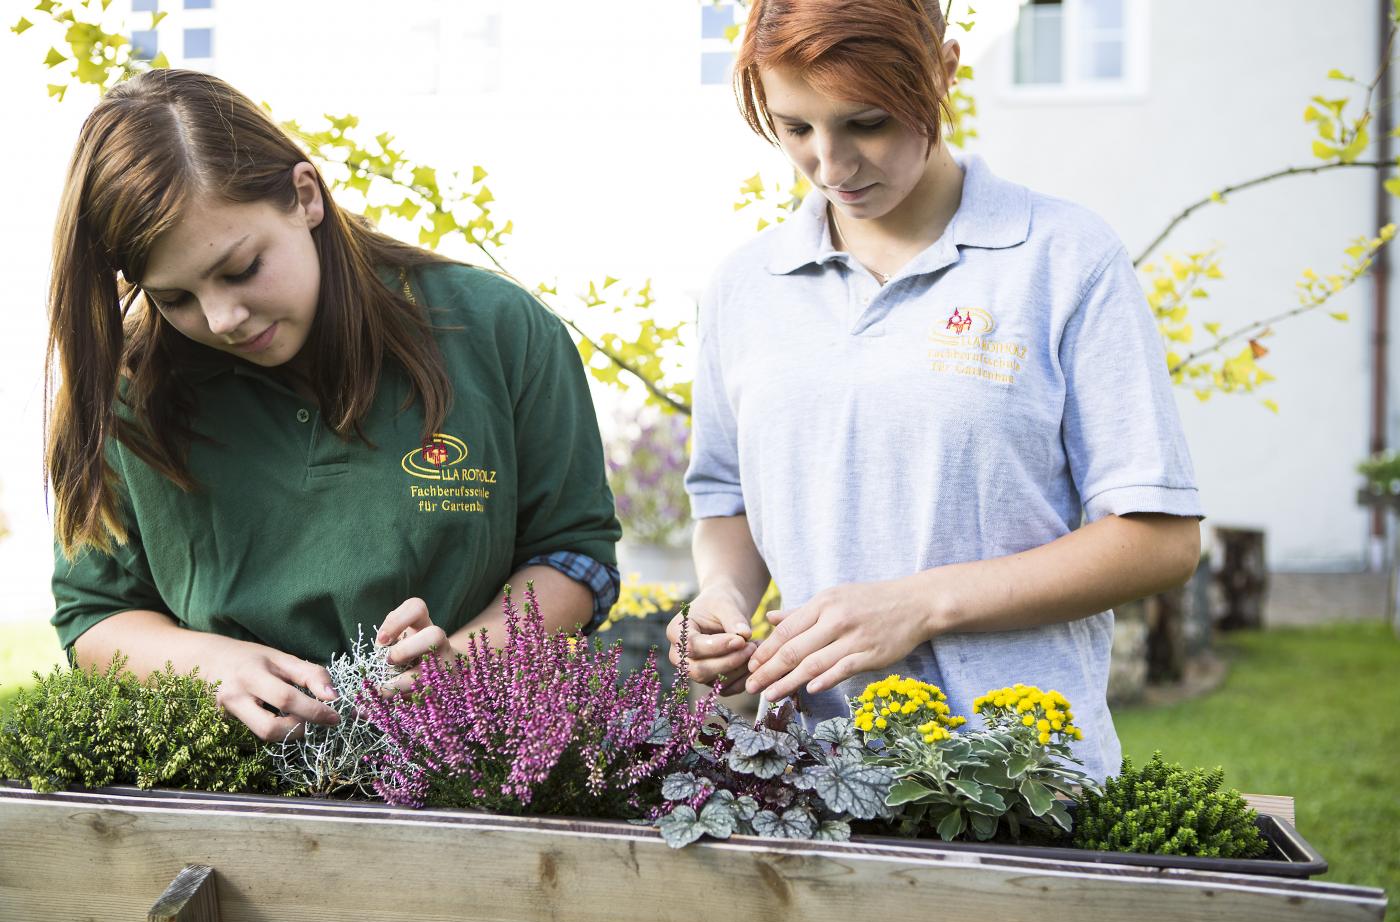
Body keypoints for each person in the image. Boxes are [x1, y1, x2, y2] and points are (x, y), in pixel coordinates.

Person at [667, 0, 1202, 782]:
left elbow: (1160, 539)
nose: (832, 164)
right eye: (795, 128)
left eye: (869, 122)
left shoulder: (1062, 259)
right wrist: (721, 597)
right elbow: (727, 500)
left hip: (1022, 779)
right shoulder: (747, 286)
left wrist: (922, 602)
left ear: (944, 70)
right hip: (808, 777)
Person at [46, 69, 621, 741]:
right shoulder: (132, 388)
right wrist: (209, 664)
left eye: (241, 268)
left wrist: (463, 664)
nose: (223, 316)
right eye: (174, 299)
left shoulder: (499, 329)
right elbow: (94, 614)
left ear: (305, 196)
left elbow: (576, 558)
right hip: (216, 794)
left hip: (470, 772)